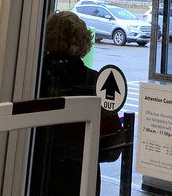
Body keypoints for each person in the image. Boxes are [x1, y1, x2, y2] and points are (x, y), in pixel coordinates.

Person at [30, 11, 122, 196]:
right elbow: (111, 146)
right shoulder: (94, 81)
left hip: (37, 166)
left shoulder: (33, 76)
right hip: (80, 171)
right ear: (83, 41)